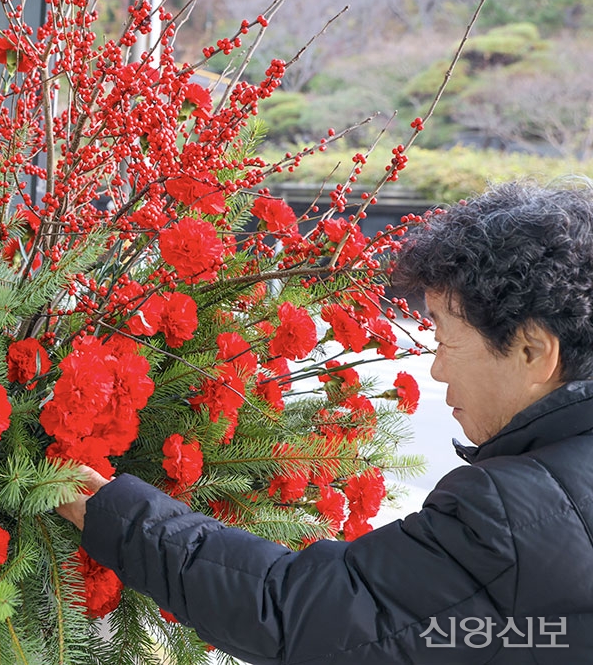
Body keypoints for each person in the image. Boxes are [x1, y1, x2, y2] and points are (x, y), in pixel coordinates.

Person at [56, 181, 593, 664]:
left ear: (532, 351)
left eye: (446, 339)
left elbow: (297, 616)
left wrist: (114, 511)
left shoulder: (511, 515)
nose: (435, 368)